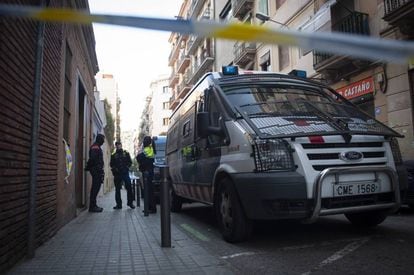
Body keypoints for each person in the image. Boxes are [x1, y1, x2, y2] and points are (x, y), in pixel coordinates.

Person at [110, 141, 135, 209]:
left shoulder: (126, 153)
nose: (118, 146)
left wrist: (126, 167)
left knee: (129, 187)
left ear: (121, 145)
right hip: (117, 174)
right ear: (116, 146)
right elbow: (111, 164)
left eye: (119, 145)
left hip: (125, 173)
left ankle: (130, 203)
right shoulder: (113, 155)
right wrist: (115, 169)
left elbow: (130, 162)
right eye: (117, 145)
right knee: (117, 189)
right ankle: (119, 204)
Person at [86, 133, 105, 213]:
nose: (103, 142)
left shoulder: (97, 147)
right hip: (95, 170)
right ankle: (92, 207)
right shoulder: (95, 147)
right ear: (99, 139)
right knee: (95, 188)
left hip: (97, 170)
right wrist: (91, 167)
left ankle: (94, 205)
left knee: (96, 187)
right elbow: (93, 159)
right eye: (103, 140)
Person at [137, 136, 156, 213]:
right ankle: (149, 207)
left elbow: (138, 157)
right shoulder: (149, 149)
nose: (143, 142)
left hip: (148, 172)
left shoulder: (147, 149)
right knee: (149, 191)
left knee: (149, 191)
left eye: (144, 141)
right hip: (148, 172)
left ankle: (151, 208)